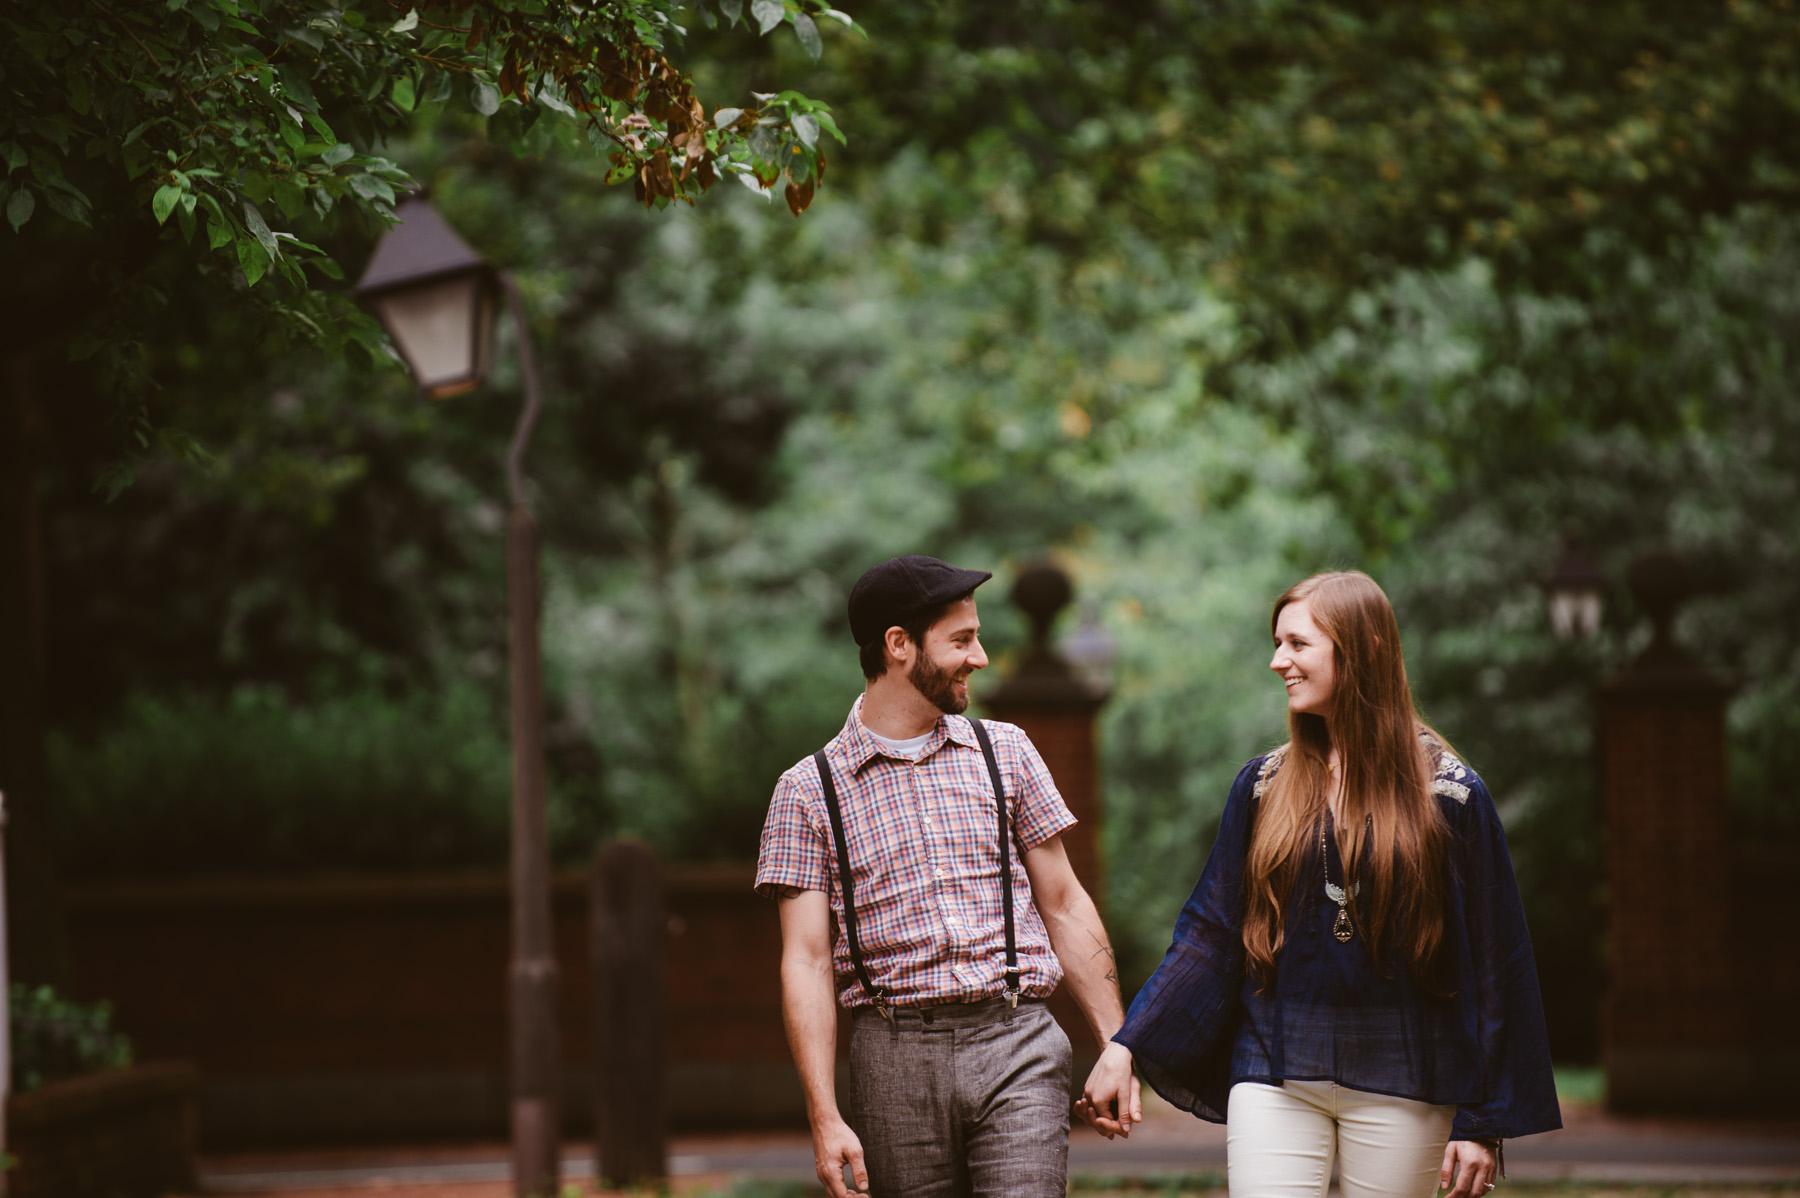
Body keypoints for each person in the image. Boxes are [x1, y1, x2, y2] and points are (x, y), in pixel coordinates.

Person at [1081, 570, 1561, 1198]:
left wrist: (1482, 1120)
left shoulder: (1450, 796)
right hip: (1274, 1069)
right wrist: (1127, 1045)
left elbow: (1495, 961)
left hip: (1407, 1076)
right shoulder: (1263, 786)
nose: (1278, 661)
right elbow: (1211, 931)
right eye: (1278, 643)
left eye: (1298, 644)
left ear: (1362, 649)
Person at [756, 554, 1138, 1198]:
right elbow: (807, 961)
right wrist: (825, 1116)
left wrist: (1115, 1044)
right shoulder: (806, 792)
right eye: (961, 640)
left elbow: (1066, 905)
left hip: (1017, 1038)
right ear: (899, 646)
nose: (981, 657)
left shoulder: (1007, 751)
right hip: (893, 1057)